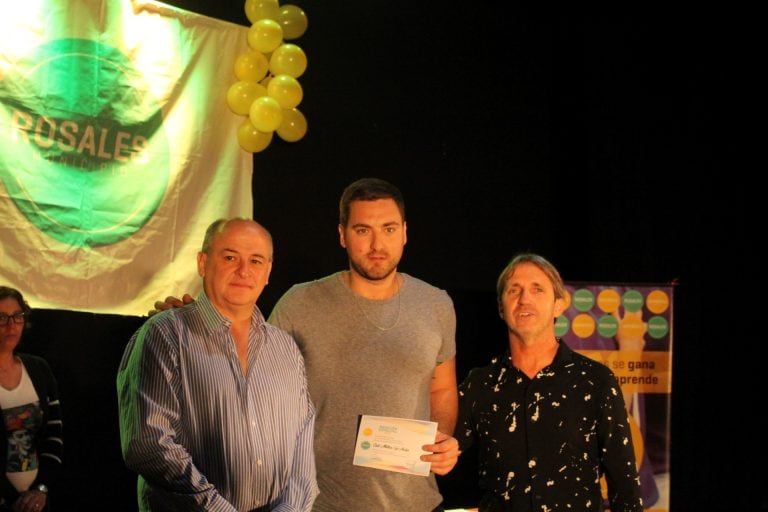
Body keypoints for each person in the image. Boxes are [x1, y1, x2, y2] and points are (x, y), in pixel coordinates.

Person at [154, 178, 460, 511]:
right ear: (342, 235)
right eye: (362, 230)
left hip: (417, 504)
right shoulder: (301, 303)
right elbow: (244, 374)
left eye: (388, 229)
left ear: (404, 232)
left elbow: (441, 389)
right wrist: (195, 326)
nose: (376, 244)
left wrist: (440, 440)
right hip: (318, 504)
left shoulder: (436, 304)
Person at [117, 218, 317, 511]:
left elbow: (302, 443)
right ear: (202, 262)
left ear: (268, 272)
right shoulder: (164, 335)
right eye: (230, 257)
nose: (244, 270)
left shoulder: (284, 348)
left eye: (256, 260)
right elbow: (148, 444)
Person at [456, 253, 643, 511]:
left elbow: (625, 487)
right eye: (514, 290)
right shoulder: (480, 383)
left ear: (559, 305)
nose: (524, 300)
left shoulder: (595, 381)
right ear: (501, 307)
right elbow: (438, 447)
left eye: (537, 289)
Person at [0, 286, 63, 512]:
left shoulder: (38, 369)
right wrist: (11, 498)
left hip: (37, 503)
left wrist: (41, 490)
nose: (11, 325)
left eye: (17, 316)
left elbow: (54, 437)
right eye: (2, 318)